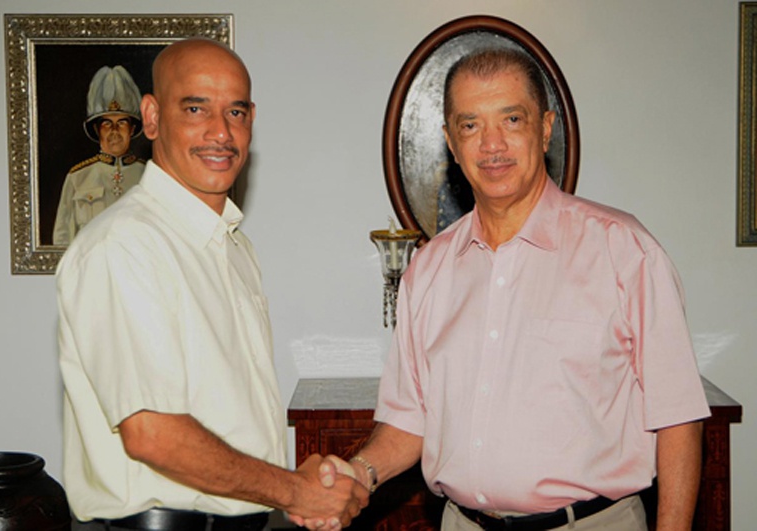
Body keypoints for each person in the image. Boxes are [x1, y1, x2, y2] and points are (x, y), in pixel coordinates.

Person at [309, 48, 711, 531]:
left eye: (512, 119)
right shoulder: (429, 269)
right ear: (451, 143)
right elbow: (409, 420)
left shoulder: (624, 250)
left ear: (545, 128)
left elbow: (678, 417)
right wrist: (359, 472)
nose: (492, 144)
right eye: (470, 125)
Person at [57, 38, 367, 531]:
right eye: (196, 108)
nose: (221, 132)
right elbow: (152, 434)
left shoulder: (234, 247)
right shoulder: (124, 246)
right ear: (152, 117)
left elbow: (231, 423)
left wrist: (305, 486)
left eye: (236, 112)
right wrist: (297, 491)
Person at [53, 65, 147, 246]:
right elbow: (61, 240)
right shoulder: (78, 178)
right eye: (107, 124)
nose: (114, 131)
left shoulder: (148, 174)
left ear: (132, 128)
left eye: (122, 123)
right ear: (97, 130)